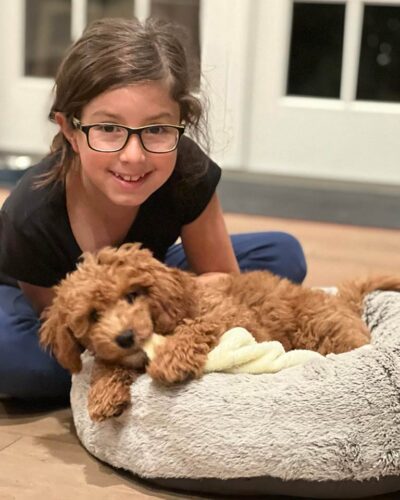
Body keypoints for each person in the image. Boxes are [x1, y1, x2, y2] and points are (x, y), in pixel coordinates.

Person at [0, 17, 306, 401]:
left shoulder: (186, 171)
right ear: (70, 130)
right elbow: (68, 328)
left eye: (157, 130)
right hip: (40, 302)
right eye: (108, 128)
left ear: (182, 123)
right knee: (19, 360)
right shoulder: (30, 214)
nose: (134, 155)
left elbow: (223, 280)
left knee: (281, 254)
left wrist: (166, 300)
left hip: (148, 286)